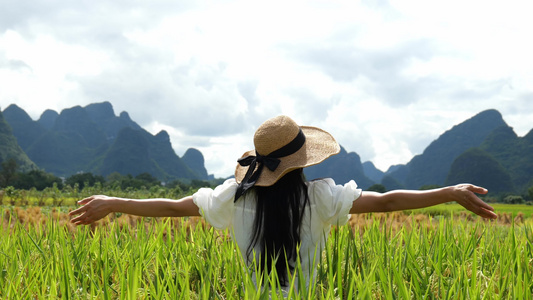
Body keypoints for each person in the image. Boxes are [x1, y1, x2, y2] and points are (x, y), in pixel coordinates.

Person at [69, 115, 497, 292]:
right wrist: (448, 193)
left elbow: (176, 206)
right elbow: (385, 202)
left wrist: (114, 201)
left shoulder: (232, 196)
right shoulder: (321, 196)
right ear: (301, 163)